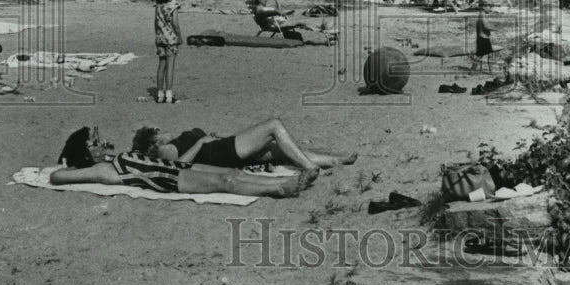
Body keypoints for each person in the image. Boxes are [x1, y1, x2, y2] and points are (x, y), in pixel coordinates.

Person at [49, 151, 317, 198]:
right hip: (170, 180)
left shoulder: (113, 158)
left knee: (232, 172)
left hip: (179, 169)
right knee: (227, 182)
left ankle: (284, 180)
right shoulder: (101, 169)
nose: (102, 143)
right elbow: (58, 177)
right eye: (94, 142)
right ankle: (278, 189)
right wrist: (68, 167)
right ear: (86, 153)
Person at [131, 118, 357, 170]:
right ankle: (310, 168)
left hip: (224, 149)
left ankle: (335, 160)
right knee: (274, 126)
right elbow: (180, 167)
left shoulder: (171, 143)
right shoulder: (163, 149)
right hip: (223, 153)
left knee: (281, 151)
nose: (161, 130)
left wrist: (210, 138)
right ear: (153, 142)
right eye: (155, 131)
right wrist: (201, 141)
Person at [153, 0, 182, 103]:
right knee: (170, 67)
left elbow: (155, 22)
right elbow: (175, 23)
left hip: (160, 37)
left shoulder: (159, 3)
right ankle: (169, 95)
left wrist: (158, 34)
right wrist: (179, 36)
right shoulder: (173, 3)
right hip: (171, 38)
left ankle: (159, 95)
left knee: (161, 66)